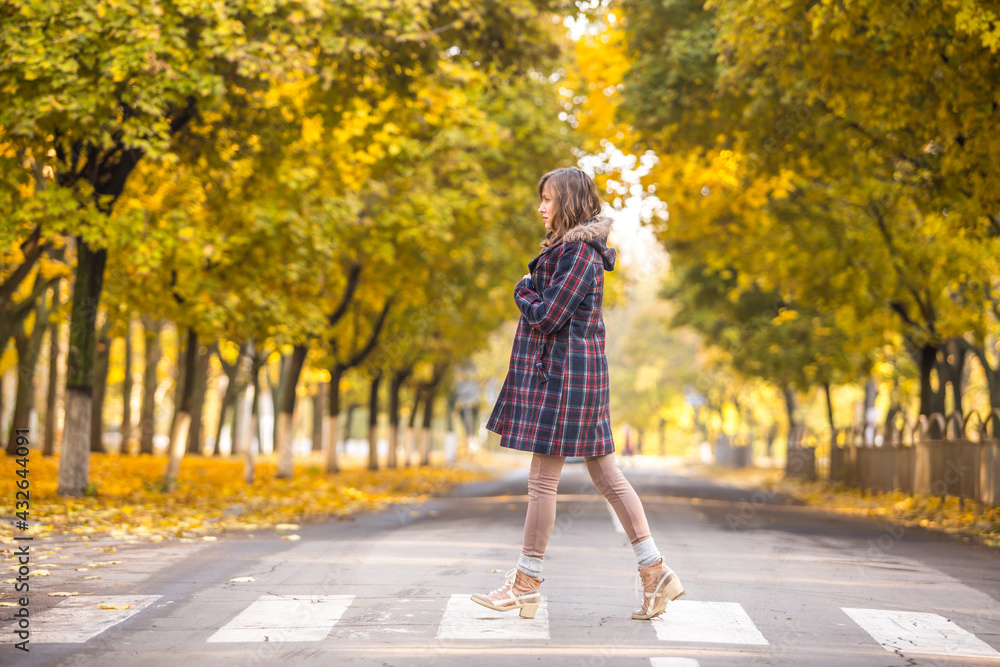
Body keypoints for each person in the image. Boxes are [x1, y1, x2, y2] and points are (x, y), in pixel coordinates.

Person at [472, 167, 684, 621]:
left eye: (547, 199)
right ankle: (655, 570)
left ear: (567, 202)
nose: (540, 208)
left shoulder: (577, 256)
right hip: (575, 379)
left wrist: (522, 290)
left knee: (543, 482)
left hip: (566, 382)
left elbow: (548, 317)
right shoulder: (572, 254)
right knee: (608, 478)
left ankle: (525, 583)